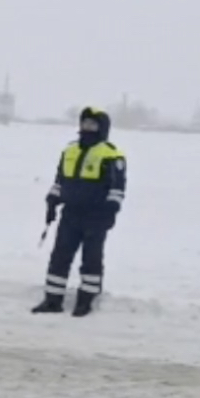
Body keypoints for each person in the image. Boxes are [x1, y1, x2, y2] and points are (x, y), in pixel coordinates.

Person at [31, 106, 126, 316]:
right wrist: (52, 202)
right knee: (60, 257)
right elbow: (60, 181)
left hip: (96, 216)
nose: (87, 127)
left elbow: (117, 188)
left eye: (92, 124)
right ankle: (52, 300)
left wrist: (110, 212)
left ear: (102, 128)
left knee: (91, 259)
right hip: (71, 213)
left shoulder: (112, 154)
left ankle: (86, 301)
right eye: (85, 123)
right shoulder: (70, 151)